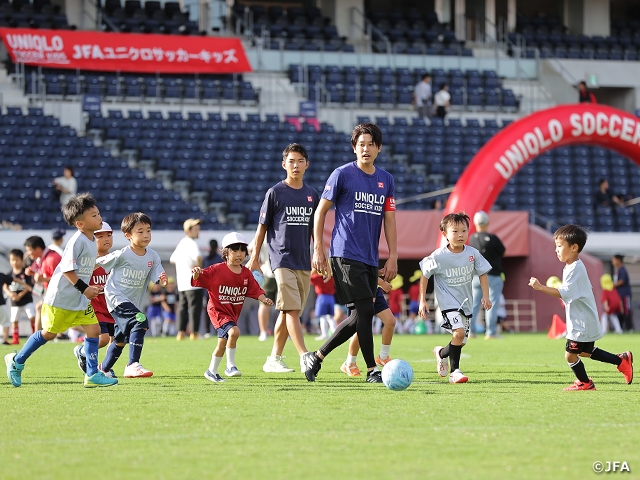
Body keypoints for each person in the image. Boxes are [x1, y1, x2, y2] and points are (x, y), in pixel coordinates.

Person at [310, 123, 398, 383]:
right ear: (354, 147)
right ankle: (372, 370)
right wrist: (319, 248)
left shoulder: (387, 180)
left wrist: (393, 255)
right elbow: (320, 211)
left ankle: (317, 356)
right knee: (365, 312)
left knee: (359, 315)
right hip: (344, 253)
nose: (366, 149)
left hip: (370, 257)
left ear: (379, 148)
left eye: (371, 144)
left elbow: (390, 220)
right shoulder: (342, 174)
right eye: (361, 144)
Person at [5, 193, 117, 388]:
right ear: (80, 224)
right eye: (94, 215)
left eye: (98, 213)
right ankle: (16, 361)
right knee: (49, 334)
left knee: (94, 330)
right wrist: (85, 289)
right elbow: (67, 270)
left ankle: (91, 374)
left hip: (79, 299)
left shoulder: (91, 239)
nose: (99, 217)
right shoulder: (78, 241)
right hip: (61, 299)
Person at [528, 224, 633, 390]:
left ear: (574, 247)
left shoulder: (575, 268)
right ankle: (621, 360)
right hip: (583, 319)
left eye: (559, 246)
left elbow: (565, 293)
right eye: (556, 246)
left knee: (570, 355)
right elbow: (570, 293)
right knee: (584, 352)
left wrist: (540, 287)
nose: (556, 250)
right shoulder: (571, 266)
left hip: (581, 322)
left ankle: (585, 383)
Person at [247, 143, 320, 377]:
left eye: (300, 161)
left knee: (290, 313)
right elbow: (261, 228)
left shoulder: (312, 195)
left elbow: (316, 231)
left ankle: (273, 359)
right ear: (284, 164)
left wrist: (320, 253)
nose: (295, 165)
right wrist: (255, 258)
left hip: (303, 260)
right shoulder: (275, 192)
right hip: (281, 259)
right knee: (291, 309)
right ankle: (304, 356)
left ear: (307, 164)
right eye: (291, 161)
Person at [418, 212, 493, 384]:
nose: (460, 235)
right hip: (447, 302)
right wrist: (422, 300)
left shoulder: (472, 253)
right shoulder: (438, 256)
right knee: (458, 333)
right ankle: (455, 372)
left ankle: (441, 353)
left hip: (466, 302)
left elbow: (482, 274)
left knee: (460, 341)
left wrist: (486, 296)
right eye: (455, 231)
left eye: (464, 231)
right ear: (444, 234)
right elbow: (424, 275)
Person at [193, 232, 274, 383]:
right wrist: (197, 274)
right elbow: (200, 279)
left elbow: (255, 289)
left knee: (222, 344)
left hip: (232, 313)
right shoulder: (216, 269)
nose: (239, 254)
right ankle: (230, 366)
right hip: (218, 311)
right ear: (225, 253)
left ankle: (211, 371)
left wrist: (264, 299)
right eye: (234, 250)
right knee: (234, 331)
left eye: (242, 250)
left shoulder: (246, 273)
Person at [96, 212, 168, 379]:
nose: (146, 235)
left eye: (148, 231)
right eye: (140, 231)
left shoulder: (152, 256)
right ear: (128, 235)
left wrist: (163, 280)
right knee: (140, 319)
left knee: (120, 340)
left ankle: (103, 369)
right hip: (116, 298)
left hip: (131, 302)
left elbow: (159, 276)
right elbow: (97, 263)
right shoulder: (122, 254)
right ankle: (133, 364)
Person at [73, 221, 117, 377]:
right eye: (100, 236)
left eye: (109, 235)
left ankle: (105, 366)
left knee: (115, 340)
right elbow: (77, 279)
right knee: (103, 339)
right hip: (95, 306)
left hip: (112, 306)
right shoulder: (88, 259)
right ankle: (82, 350)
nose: (106, 238)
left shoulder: (116, 258)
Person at [340, 279, 396, 377]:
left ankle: (383, 357)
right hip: (358, 289)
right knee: (360, 329)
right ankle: (349, 363)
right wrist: (382, 282)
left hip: (374, 289)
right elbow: (359, 270)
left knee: (390, 322)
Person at [469, 210, 506, 339]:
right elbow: (503, 252)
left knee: (474, 305)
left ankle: (471, 332)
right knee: (492, 304)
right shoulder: (493, 238)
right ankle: (491, 332)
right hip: (493, 275)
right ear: (488, 222)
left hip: (476, 276)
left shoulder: (472, 238)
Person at [170, 218, 204, 341]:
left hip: (182, 282)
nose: (198, 231)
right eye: (195, 229)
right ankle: (194, 333)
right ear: (188, 231)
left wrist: (183, 264)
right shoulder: (192, 243)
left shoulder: (182, 243)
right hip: (194, 282)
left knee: (182, 308)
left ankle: (181, 332)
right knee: (195, 308)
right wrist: (199, 268)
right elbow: (198, 256)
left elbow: (172, 259)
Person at [23, 235, 62, 332]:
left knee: (68, 323)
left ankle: (36, 338)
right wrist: (33, 273)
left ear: (38, 249)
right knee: (40, 308)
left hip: (59, 293)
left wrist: (43, 279)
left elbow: (61, 279)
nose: (28, 253)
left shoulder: (51, 259)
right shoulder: (44, 257)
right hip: (52, 293)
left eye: (29, 250)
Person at [5, 249, 36, 343]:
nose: (14, 262)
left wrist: (20, 295)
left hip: (27, 300)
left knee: (32, 317)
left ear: (21, 260)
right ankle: (15, 339)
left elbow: (29, 285)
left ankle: (35, 336)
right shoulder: (9, 274)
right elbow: (5, 286)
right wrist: (10, 294)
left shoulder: (25, 272)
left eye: (16, 260)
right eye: (12, 260)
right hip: (15, 302)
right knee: (14, 320)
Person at [201, 239, 223, 338]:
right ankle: (221, 329)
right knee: (219, 310)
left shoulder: (206, 259)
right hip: (218, 289)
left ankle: (207, 331)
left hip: (207, 289)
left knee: (207, 310)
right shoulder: (220, 259)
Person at [310, 268, 337, 341]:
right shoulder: (331, 277)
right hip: (331, 297)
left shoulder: (317, 277)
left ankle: (325, 334)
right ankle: (335, 333)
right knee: (330, 317)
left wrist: (314, 270)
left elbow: (309, 278)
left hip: (322, 297)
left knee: (323, 317)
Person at [612, 254, 633, 332]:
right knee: (620, 311)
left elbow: (622, 281)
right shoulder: (618, 270)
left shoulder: (622, 270)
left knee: (626, 310)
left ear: (618, 260)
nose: (612, 262)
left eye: (614, 260)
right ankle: (621, 328)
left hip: (625, 294)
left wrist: (613, 285)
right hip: (619, 294)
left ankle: (629, 328)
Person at [0, 271, 13, 344]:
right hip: (1, 304)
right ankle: (5, 340)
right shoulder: (1, 275)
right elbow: (13, 279)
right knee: (6, 322)